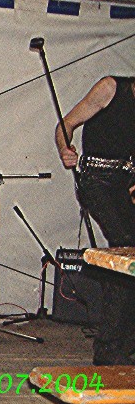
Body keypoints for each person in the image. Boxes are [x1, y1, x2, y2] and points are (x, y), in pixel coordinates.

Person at [55, 75, 135, 366]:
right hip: (96, 181)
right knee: (124, 247)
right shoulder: (111, 89)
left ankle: (126, 342)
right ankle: (108, 348)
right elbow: (65, 125)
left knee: (131, 257)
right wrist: (65, 149)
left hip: (126, 184)